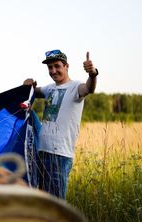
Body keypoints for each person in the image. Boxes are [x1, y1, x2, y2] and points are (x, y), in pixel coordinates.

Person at [23, 49, 98, 199]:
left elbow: (89, 88)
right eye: (50, 68)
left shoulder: (75, 87)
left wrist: (92, 74)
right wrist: (28, 85)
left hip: (59, 155)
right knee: (43, 203)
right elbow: (32, 92)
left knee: (55, 206)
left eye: (57, 66)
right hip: (42, 152)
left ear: (66, 66)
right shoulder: (50, 88)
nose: (53, 71)